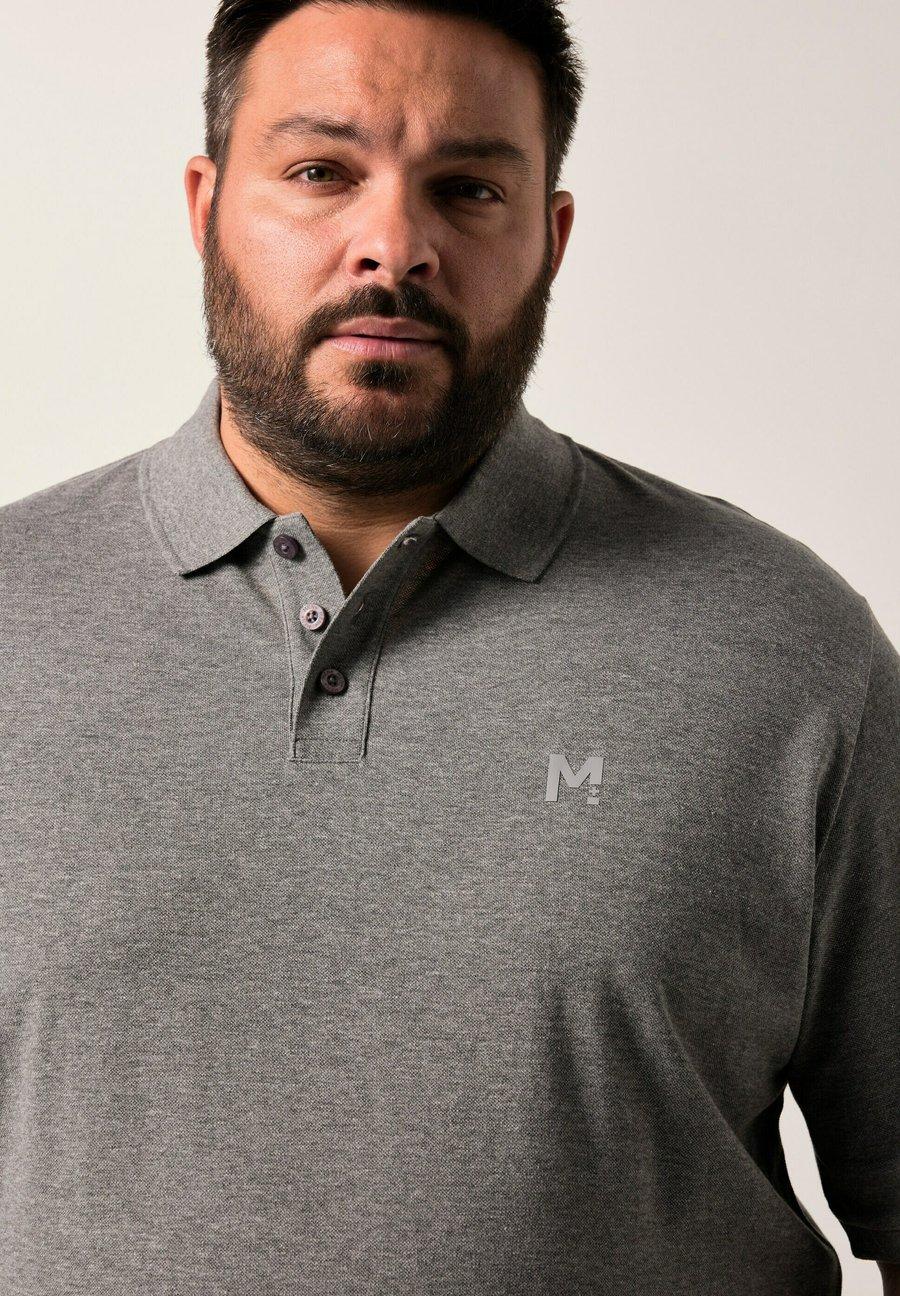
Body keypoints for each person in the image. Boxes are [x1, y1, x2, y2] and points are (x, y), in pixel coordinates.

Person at [1, 3, 897, 1293]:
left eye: (469, 188)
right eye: (322, 171)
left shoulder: (787, 652)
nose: (395, 245)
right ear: (205, 207)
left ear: (553, 238)